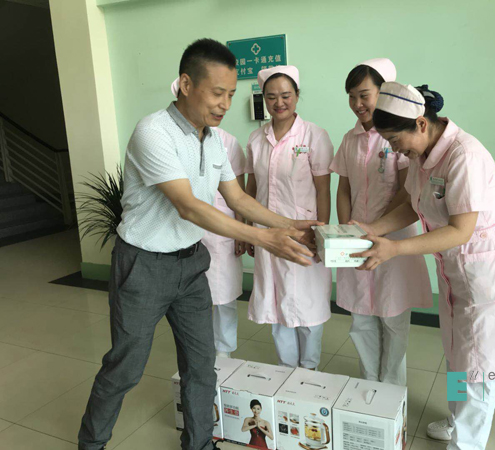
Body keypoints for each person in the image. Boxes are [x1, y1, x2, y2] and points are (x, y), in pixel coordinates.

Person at [78, 39, 321, 450]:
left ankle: (200, 445)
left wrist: (292, 225)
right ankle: (91, 444)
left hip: (192, 265)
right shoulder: (153, 132)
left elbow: (237, 198)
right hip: (144, 266)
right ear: (187, 84)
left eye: (231, 94)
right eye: (217, 92)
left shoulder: (213, 139)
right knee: (125, 368)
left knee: (202, 366)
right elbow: (188, 206)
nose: (225, 104)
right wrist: (264, 238)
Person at [352, 82, 495, 449]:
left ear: (421, 124)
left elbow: (461, 230)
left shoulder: (464, 156)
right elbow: (412, 205)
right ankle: (457, 420)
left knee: (478, 373)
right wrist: (373, 229)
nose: (394, 149)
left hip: (486, 283)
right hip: (456, 279)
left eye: (395, 140)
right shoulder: (422, 157)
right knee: (457, 358)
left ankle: (467, 443)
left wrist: (395, 249)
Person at [330, 58, 431, 387]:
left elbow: (407, 193)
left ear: (382, 94)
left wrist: (379, 229)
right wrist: (345, 231)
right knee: (361, 319)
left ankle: (391, 392)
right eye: (351, 97)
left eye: (364, 95)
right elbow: (344, 189)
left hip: (394, 240)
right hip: (357, 238)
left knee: (393, 319)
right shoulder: (349, 139)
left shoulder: (399, 136)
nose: (357, 104)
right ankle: (368, 386)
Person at [245, 65, 334, 369]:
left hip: (304, 233)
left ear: (297, 95)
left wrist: (322, 235)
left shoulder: (315, 135)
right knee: (275, 302)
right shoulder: (256, 139)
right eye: (271, 97)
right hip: (267, 233)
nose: (279, 102)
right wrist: (249, 229)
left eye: (285, 95)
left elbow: (324, 190)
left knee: (308, 304)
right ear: (264, 99)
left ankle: (309, 369)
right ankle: (286, 371)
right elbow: (251, 188)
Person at [171, 77, 247, 359]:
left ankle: (224, 353)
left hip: (223, 230)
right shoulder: (169, 139)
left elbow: (238, 194)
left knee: (225, 297)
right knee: (193, 300)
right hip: (188, 229)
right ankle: (200, 353)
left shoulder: (228, 142)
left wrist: (241, 231)